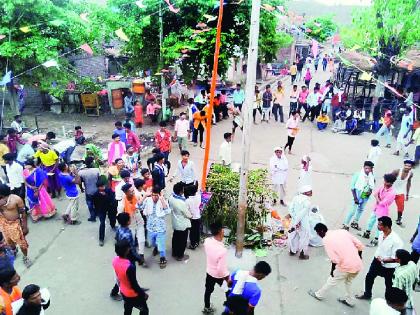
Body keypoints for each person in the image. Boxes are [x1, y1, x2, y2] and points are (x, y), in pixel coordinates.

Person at [308, 223, 364, 307]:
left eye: (318, 233)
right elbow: (359, 244)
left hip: (345, 266)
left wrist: (332, 271)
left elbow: (334, 259)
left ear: (322, 231)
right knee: (348, 281)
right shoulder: (342, 231)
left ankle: (319, 295)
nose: (318, 235)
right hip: (357, 264)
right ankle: (349, 300)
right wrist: (359, 257)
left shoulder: (326, 240)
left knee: (332, 280)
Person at [356, 216, 403, 300]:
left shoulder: (396, 241)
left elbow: (396, 258)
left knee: (389, 285)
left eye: (380, 225)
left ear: (387, 226)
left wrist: (384, 260)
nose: (377, 226)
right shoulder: (381, 233)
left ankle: (389, 301)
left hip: (389, 267)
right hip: (376, 261)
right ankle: (367, 294)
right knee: (369, 277)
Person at [112, 240, 149, 315]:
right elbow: (134, 285)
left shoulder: (115, 260)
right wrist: (143, 294)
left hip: (123, 291)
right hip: (132, 294)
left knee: (128, 309)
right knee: (144, 310)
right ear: (126, 251)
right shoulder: (129, 267)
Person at [0, 184, 31, 267]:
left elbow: (23, 213)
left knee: (22, 243)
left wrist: (24, 226)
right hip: (4, 224)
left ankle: (25, 257)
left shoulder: (16, 199)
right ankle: (14, 250)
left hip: (15, 225)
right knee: (9, 241)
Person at [202, 221, 229, 314]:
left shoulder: (207, 241)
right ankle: (230, 309)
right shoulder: (222, 251)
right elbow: (221, 270)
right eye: (223, 230)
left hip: (209, 272)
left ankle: (207, 307)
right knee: (227, 291)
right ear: (220, 232)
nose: (224, 232)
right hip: (219, 276)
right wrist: (227, 278)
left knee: (208, 290)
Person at [361, 174, 396, 244]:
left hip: (382, 211)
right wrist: (378, 199)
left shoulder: (392, 193)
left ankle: (377, 239)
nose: (384, 182)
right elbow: (375, 193)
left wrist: (377, 198)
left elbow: (382, 203)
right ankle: (367, 232)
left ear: (390, 183)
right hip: (376, 208)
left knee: (379, 225)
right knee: (371, 220)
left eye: (385, 181)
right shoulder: (383, 186)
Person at [142, 186, 171, 269]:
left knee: (161, 244)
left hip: (160, 227)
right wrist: (144, 196)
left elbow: (168, 211)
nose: (154, 197)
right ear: (151, 194)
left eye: (156, 195)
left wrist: (162, 200)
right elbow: (139, 206)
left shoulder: (163, 201)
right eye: (153, 195)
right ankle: (156, 247)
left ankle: (162, 258)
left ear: (159, 195)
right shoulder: (148, 200)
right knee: (152, 242)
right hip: (150, 227)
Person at [342, 161, 375, 231]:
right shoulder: (358, 174)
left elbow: (371, 186)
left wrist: (369, 192)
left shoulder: (371, 176)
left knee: (361, 209)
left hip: (365, 194)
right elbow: (352, 187)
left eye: (369, 169)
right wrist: (355, 198)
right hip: (357, 193)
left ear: (372, 169)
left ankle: (355, 222)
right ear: (363, 167)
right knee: (353, 210)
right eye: (366, 168)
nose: (367, 170)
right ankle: (346, 224)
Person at [119, 184, 146, 265]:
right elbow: (119, 216)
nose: (133, 192)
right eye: (131, 191)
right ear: (126, 193)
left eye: (133, 190)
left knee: (142, 240)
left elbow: (141, 205)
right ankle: (133, 257)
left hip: (139, 222)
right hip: (130, 225)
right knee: (132, 242)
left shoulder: (137, 196)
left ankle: (141, 256)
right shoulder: (122, 204)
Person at [288, 185, 312, 260]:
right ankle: (302, 254)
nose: (311, 192)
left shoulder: (295, 198)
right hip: (302, 223)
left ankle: (292, 251)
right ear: (306, 193)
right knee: (304, 238)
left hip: (294, 221)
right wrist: (297, 222)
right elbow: (301, 214)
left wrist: (294, 220)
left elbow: (290, 210)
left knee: (293, 236)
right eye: (310, 191)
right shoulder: (307, 202)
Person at [169, 182, 192, 261]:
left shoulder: (171, 197)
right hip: (182, 223)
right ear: (180, 191)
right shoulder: (181, 202)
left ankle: (174, 252)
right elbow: (187, 214)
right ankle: (180, 255)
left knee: (175, 237)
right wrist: (191, 215)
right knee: (182, 240)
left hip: (175, 222)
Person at [93, 179, 117, 246]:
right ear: (98, 187)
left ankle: (113, 225)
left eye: (103, 186)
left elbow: (112, 200)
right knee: (102, 223)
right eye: (101, 187)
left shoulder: (108, 190)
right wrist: (97, 212)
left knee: (112, 218)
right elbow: (95, 204)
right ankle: (101, 239)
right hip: (101, 210)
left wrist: (105, 195)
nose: (102, 188)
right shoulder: (96, 194)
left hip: (110, 207)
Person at [391, 160, 414, 225]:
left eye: (408, 166)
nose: (406, 167)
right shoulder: (397, 171)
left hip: (400, 191)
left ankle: (399, 219)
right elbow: (388, 179)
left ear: (411, 167)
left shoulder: (410, 174)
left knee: (401, 205)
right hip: (391, 190)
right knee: (385, 203)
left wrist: (407, 194)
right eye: (405, 165)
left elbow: (409, 183)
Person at [78, 157, 100, 222]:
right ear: (91, 163)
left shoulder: (81, 172)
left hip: (88, 191)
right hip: (96, 190)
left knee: (90, 204)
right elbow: (100, 180)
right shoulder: (97, 170)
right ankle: (97, 213)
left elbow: (80, 182)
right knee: (97, 203)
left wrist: (81, 188)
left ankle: (92, 217)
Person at [184, 183, 201, 250]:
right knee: (197, 231)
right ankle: (197, 242)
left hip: (192, 218)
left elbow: (186, 210)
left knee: (192, 232)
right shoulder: (198, 196)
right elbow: (198, 192)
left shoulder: (188, 201)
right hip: (198, 216)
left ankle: (193, 244)